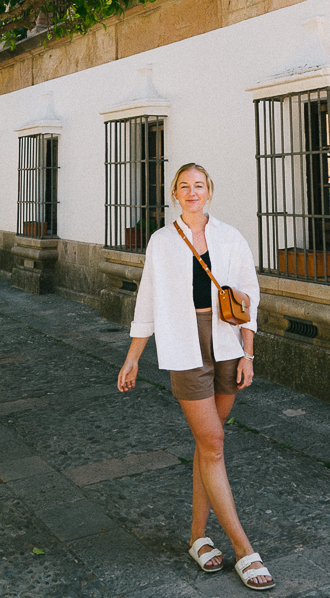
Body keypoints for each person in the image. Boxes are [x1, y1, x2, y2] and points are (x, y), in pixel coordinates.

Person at [117, 163, 274, 591]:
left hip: (226, 343)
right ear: (174, 193)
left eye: (198, 185)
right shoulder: (162, 242)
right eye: (184, 186)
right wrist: (133, 357)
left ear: (209, 191)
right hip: (185, 345)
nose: (191, 192)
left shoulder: (229, 236)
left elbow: (250, 296)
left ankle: (197, 538)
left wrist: (248, 353)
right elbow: (147, 300)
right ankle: (244, 549)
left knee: (209, 445)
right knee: (214, 442)